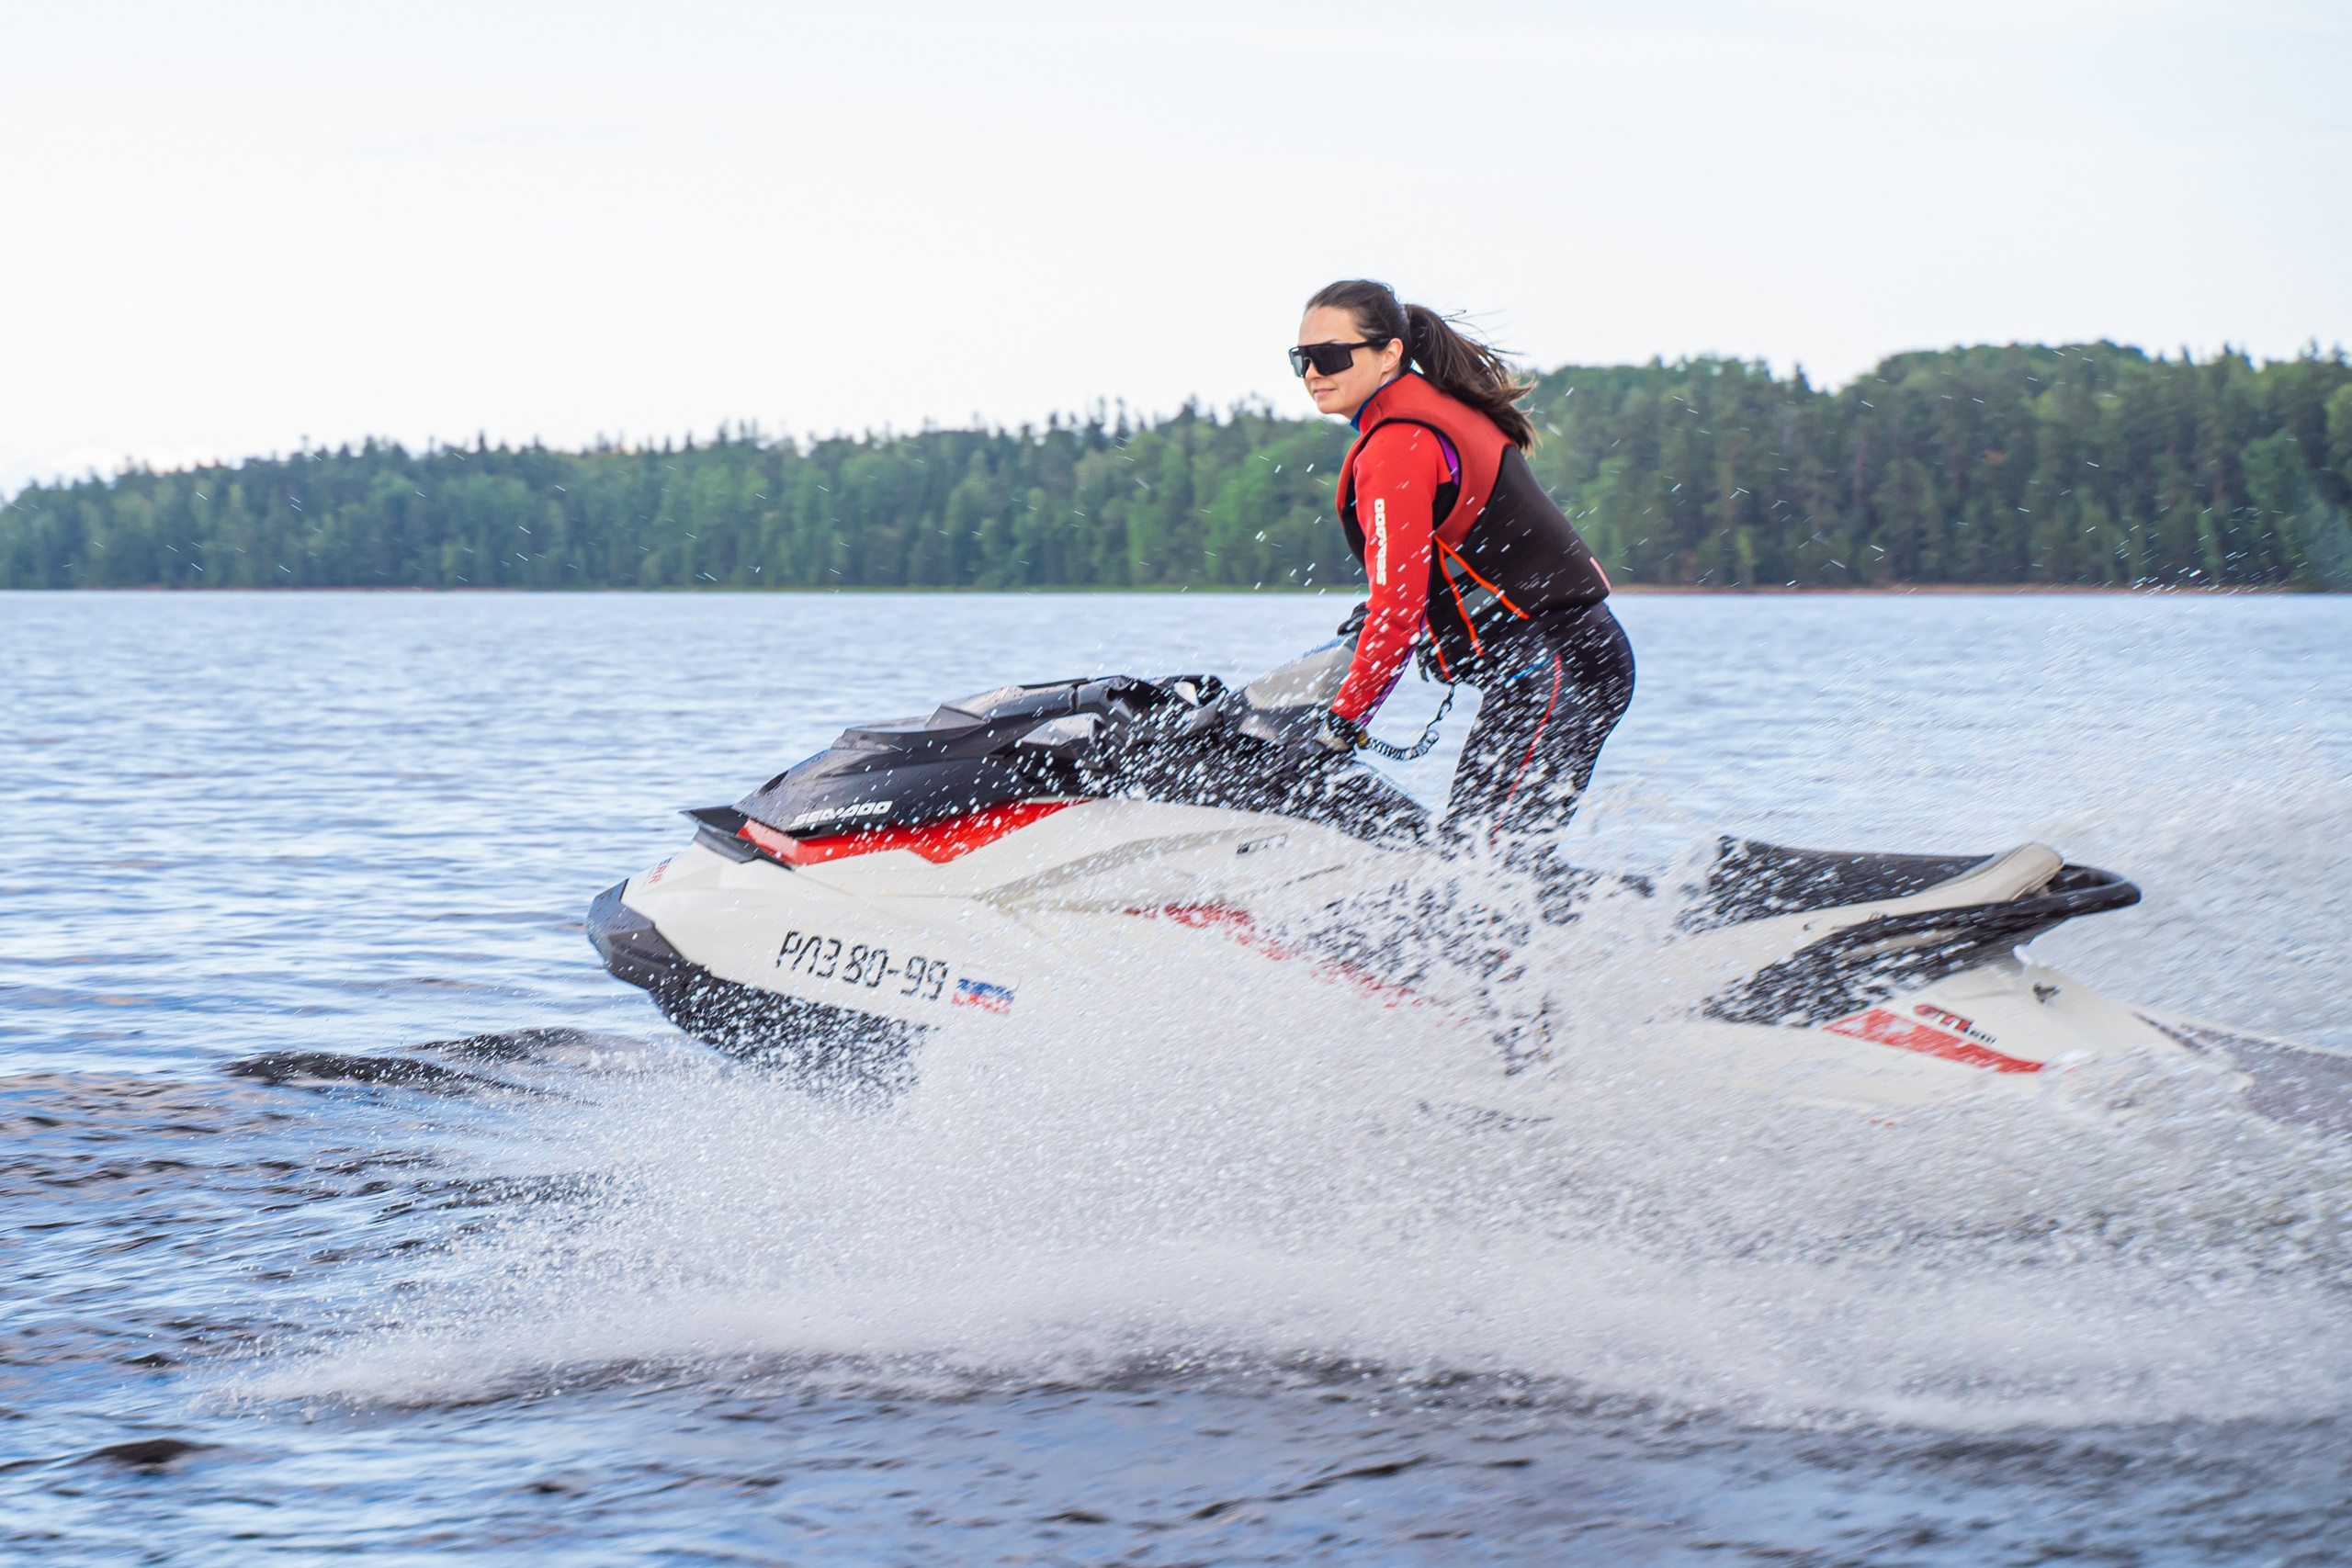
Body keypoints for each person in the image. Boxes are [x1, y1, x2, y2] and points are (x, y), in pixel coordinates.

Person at [1293, 278, 1634, 839]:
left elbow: (1397, 614)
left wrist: (1341, 726)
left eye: (1329, 356)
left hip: (1547, 670)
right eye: (1301, 359)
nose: (1312, 373)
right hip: (1581, 657)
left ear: (1389, 354)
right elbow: (1417, 580)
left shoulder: (1397, 444)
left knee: (1479, 864)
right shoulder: (1430, 413)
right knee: (1494, 859)